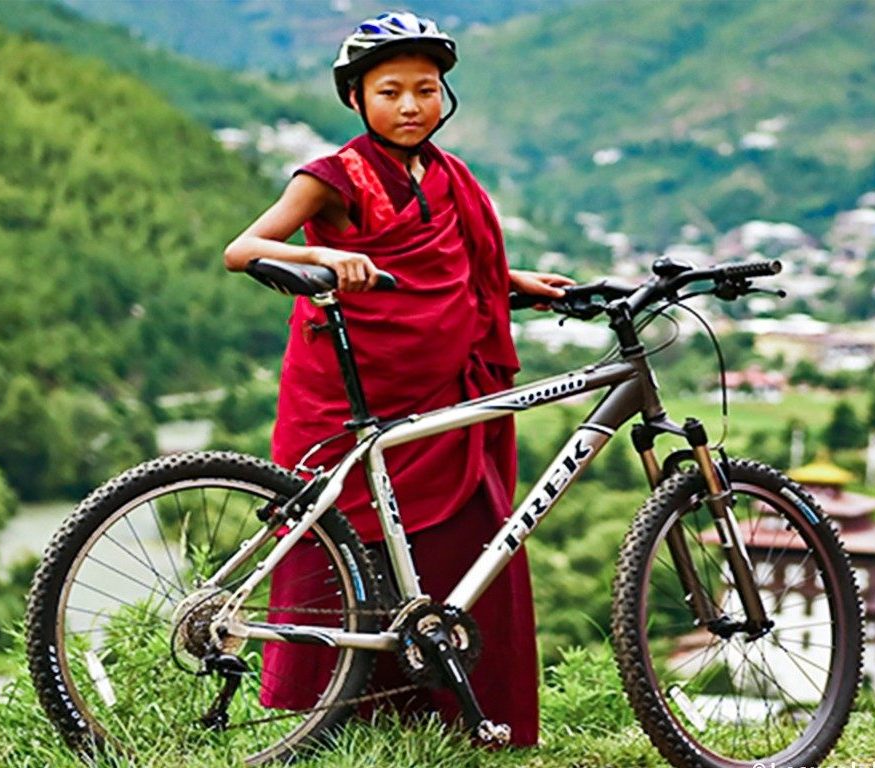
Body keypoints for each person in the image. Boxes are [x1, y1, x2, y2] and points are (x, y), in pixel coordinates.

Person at [223, 10, 572, 747]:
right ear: (356, 98)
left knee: (471, 539)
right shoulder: (331, 177)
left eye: (427, 89)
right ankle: (334, 719)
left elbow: (452, 271)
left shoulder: (450, 177)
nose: (411, 106)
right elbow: (242, 247)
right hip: (350, 389)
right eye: (390, 91)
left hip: (445, 389)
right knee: (346, 534)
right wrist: (325, 259)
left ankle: (448, 720)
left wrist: (510, 281)